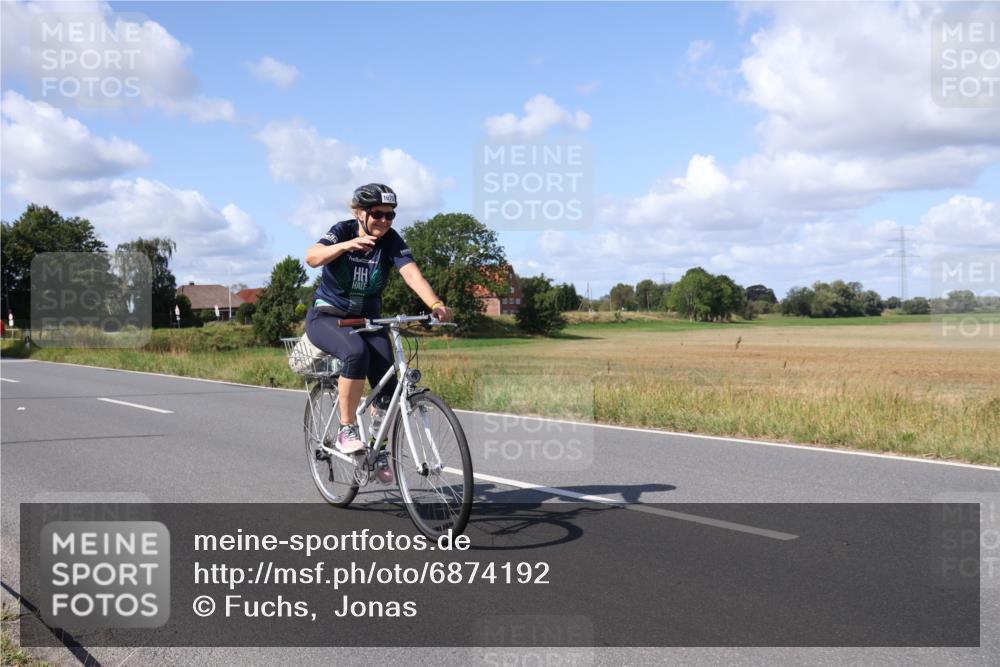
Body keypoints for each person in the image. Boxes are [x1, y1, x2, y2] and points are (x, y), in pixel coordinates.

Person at [305, 183, 451, 455]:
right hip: (328, 317)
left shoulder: (391, 240)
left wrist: (435, 303)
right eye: (377, 214)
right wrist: (347, 245)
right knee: (356, 353)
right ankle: (345, 429)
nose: (384, 220)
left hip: (368, 321)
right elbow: (312, 257)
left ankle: (377, 448)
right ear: (360, 212)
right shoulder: (342, 230)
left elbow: (411, 275)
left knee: (388, 381)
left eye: (390, 215)